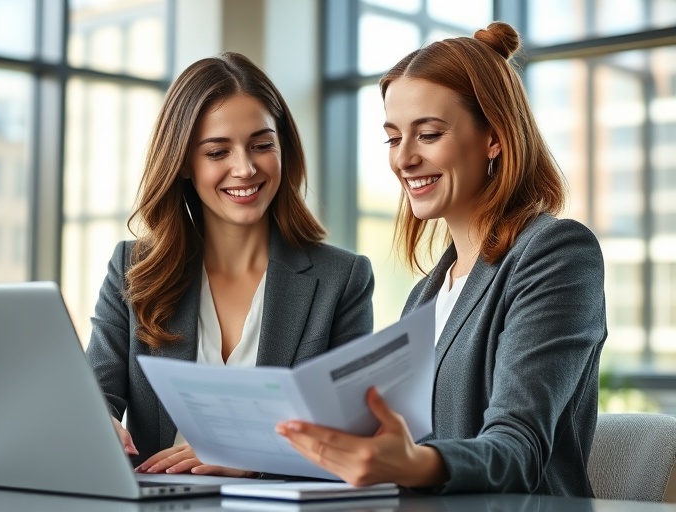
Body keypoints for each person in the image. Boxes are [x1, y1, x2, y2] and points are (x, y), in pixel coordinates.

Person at [276, 22, 607, 497]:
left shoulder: (556, 254)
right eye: (393, 138)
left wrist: (413, 462)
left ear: (493, 138)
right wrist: (261, 460)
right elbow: (391, 447)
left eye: (428, 134)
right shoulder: (426, 295)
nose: (404, 159)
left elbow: (519, 449)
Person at [86, 52, 375, 477]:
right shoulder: (133, 269)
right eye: (218, 151)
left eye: (262, 145)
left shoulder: (342, 280)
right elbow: (95, 392)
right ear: (184, 162)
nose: (245, 167)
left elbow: (350, 437)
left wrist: (252, 456)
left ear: (283, 150)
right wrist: (96, 424)